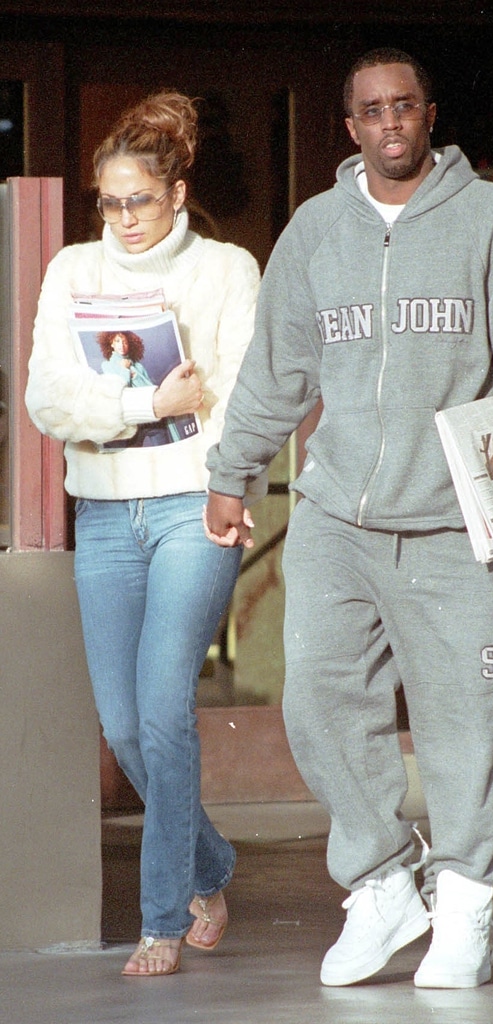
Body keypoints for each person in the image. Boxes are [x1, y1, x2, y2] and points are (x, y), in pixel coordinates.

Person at [204, 46, 493, 990]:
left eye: (405, 107)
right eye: (372, 110)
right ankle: (383, 883)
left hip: (459, 522)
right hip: (338, 513)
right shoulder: (313, 232)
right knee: (318, 700)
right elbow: (276, 371)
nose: (390, 123)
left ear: (429, 116)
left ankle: (465, 896)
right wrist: (232, 470)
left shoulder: (491, 222)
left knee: (467, 720)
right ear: (350, 126)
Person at [25, 91, 263, 977]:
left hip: (190, 510)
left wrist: (229, 481)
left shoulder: (228, 270)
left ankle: (162, 919)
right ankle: (212, 867)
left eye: (141, 200)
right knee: (123, 724)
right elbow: (47, 399)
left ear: (178, 193)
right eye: (110, 201)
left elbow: (244, 400)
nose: (124, 218)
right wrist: (144, 405)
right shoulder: (73, 270)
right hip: (105, 513)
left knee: (165, 711)